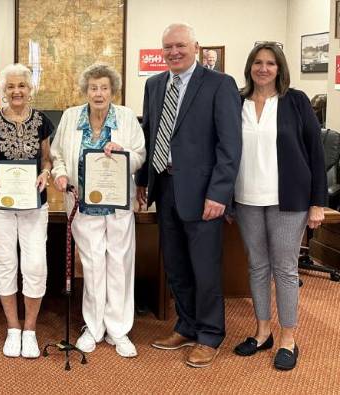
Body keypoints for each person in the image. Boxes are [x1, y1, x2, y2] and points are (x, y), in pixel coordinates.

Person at [135, 23, 241, 368]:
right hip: (165, 188)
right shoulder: (154, 85)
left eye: (180, 45)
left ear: (195, 47)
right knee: (176, 266)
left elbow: (230, 145)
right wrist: (142, 180)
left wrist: (219, 194)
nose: (173, 52)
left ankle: (210, 334)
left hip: (203, 195)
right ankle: (187, 324)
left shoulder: (219, 84)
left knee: (205, 268)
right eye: (167, 47)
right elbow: (149, 135)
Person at [232, 42, 326, 371]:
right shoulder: (237, 102)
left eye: (270, 63)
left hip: (289, 200)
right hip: (246, 199)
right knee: (257, 267)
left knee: (285, 269)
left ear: (279, 68)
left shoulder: (295, 101)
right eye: (257, 62)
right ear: (249, 67)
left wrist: (318, 202)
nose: (263, 68)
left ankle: (288, 337)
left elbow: (316, 152)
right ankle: (262, 333)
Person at [51, 63, 146, 358]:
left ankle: (119, 329)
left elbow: (140, 157)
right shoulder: (70, 117)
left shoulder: (127, 118)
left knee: (118, 263)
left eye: (104, 87)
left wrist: (123, 154)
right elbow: (57, 155)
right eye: (93, 87)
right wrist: (61, 175)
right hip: (82, 204)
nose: (99, 93)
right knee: (92, 265)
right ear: (85, 90)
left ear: (112, 90)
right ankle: (93, 328)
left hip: (117, 204)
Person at [0, 64, 54, 359]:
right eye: (11, 87)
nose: (16, 91)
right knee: (5, 262)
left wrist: (46, 172)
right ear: (3, 91)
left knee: (35, 264)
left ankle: (30, 330)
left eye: (22, 86)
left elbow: (47, 159)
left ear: (30, 90)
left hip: (34, 203)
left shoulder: (42, 121)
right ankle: (13, 328)